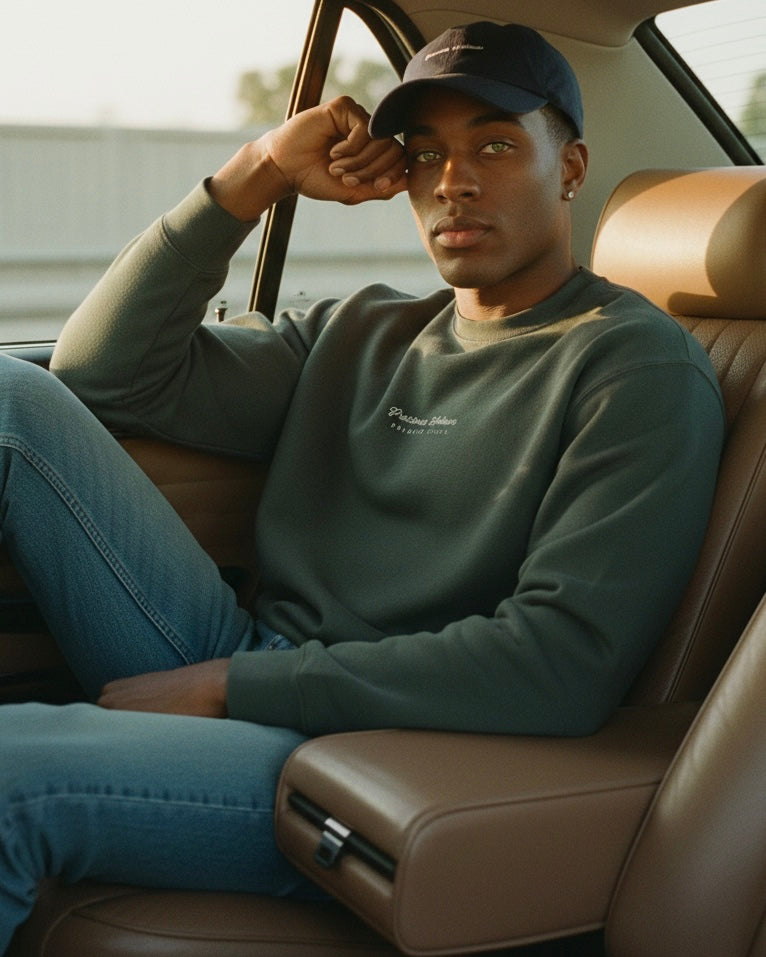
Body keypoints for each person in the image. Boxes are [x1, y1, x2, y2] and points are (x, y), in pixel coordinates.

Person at [0, 21, 724, 950]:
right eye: (427, 155)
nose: (452, 181)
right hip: (255, 656)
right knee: (14, 398)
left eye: (495, 146)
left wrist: (236, 687)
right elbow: (102, 375)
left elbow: (558, 663)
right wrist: (257, 170)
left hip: (372, 749)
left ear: (572, 168)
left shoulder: (633, 367)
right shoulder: (366, 330)